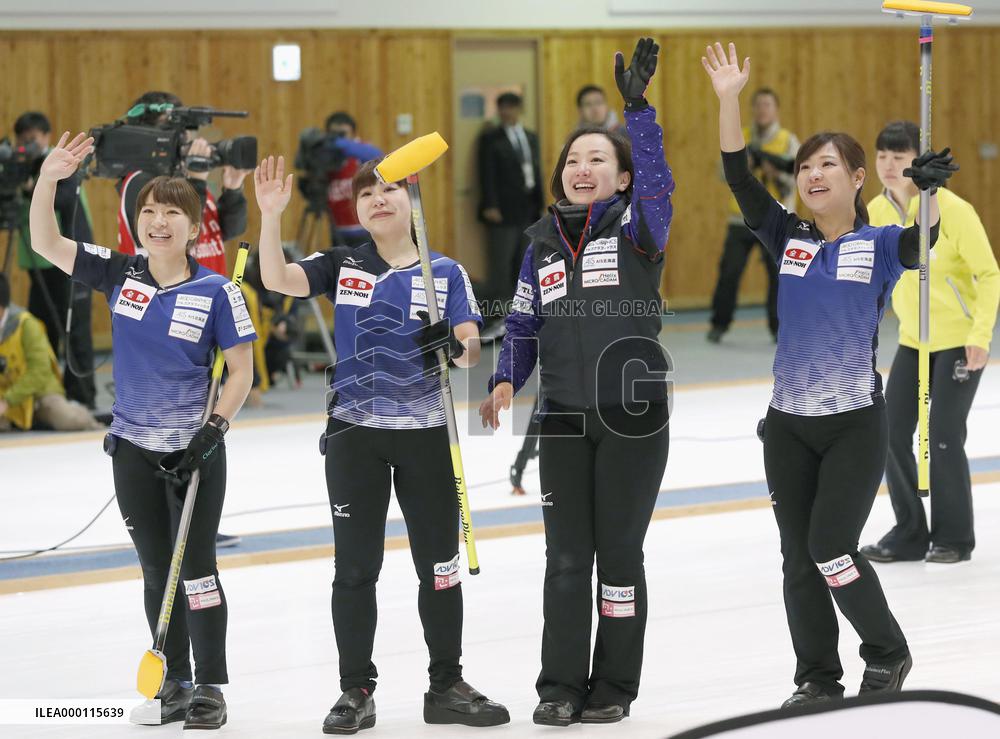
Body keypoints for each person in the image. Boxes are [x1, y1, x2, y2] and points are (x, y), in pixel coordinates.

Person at [702, 41, 957, 707]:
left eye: (827, 164)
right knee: (797, 559)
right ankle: (816, 676)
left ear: (855, 179)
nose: (812, 174)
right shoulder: (785, 235)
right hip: (786, 427)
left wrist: (927, 192)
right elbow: (736, 176)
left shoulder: (878, 243)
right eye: (805, 166)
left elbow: (921, 239)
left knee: (829, 545)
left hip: (852, 426)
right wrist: (729, 98)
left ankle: (888, 649)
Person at [254, 153, 509, 733]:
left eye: (388, 189)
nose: (376, 198)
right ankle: (355, 690)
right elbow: (276, 280)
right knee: (354, 571)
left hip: (425, 436)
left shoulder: (444, 272)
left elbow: (471, 347)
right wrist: (271, 217)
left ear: (410, 202)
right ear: (358, 210)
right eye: (365, 193)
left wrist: (453, 343)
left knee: (439, 568)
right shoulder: (344, 263)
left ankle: (446, 684)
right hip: (354, 437)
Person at [28, 132, 255, 729]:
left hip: (197, 452)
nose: (157, 222)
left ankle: (211, 685)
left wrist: (212, 430)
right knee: (158, 568)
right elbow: (43, 241)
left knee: (198, 568)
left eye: (171, 213)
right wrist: (49, 179)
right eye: (148, 212)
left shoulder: (219, 291)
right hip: (131, 450)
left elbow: (241, 372)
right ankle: (174, 678)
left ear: (192, 224)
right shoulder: (118, 273)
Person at [479, 38, 674, 726]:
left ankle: (614, 684)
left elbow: (657, 181)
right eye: (573, 158)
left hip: (632, 413)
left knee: (617, 556)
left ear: (621, 178)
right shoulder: (540, 243)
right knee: (566, 559)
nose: (581, 166)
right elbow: (524, 322)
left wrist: (638, 114)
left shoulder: (641, 228)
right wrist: (506, 379)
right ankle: (559, 685)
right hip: (562, 414)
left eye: (598, 158)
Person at [861, 121, 1000, 565]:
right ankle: (909, 531)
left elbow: (989, 274)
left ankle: (954, 536)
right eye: (882, 155)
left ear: (917, 162)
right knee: (889, 434)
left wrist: (980, 335)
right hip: (912, 340)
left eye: (899, 157)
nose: (888, 165)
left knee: (942, 435)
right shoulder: (876, 212)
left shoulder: (954, 211)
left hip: (957, 341)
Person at [13, 111, 97, 408]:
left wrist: (35, 185)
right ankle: (46, 395)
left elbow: (65, 200)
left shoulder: (61, 161)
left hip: (70, 257)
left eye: (32, 139)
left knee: (75, 331)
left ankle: (83, 397)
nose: (27, 146)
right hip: (39, 262)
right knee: (42, 327)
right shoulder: (21, 165)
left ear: (46, 137)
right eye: (22, 141)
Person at [117, 91, 252, 276]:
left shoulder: (185, 179)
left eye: (183, 130)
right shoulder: (141, 183)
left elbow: (229, 231)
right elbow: (179, 240)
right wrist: (196, 180)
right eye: (172, 130)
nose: (183, 138)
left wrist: (233, 190)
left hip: (208, 297)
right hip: (165, 301)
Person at [707, 88, 799, 343]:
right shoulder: (741, 136)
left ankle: (780, 330)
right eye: (758, 105)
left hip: (776, 222)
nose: (762, 110)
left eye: (767, 105)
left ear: (776, 109)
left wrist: (774, 171)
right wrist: (746, 166)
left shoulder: (787, 140)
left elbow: (798, 179)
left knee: (779, 277)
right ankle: (719, 324)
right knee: (729, 273)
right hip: (740, 220)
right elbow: (721, 172)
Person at [0, 272, 101, 432]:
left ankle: (89, 419)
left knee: (69, 420)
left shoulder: (26, 325)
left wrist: (8, 400)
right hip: (5, 396)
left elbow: (39, 372)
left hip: (38, 394)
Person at [476, 91, 543, 332]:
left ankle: (521, 316)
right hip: (502, 211)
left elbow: (536, 172)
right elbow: (486, 174)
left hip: (528, 208)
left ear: (518, 109)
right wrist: (490, 205)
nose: (507, 112)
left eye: (511, 107)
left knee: (522, 263)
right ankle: (496, 318)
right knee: (500, 266)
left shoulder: (530, 137)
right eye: (502, 107)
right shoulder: (490, 138)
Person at [324, 111, 384, 247]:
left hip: (365, 229)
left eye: (342, 134)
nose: (337, 139)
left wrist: (340, 143)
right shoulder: (327, 158)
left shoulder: (361, 153)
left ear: (353, 134)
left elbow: (378, 157)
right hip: (338, 231)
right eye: (333, 135)